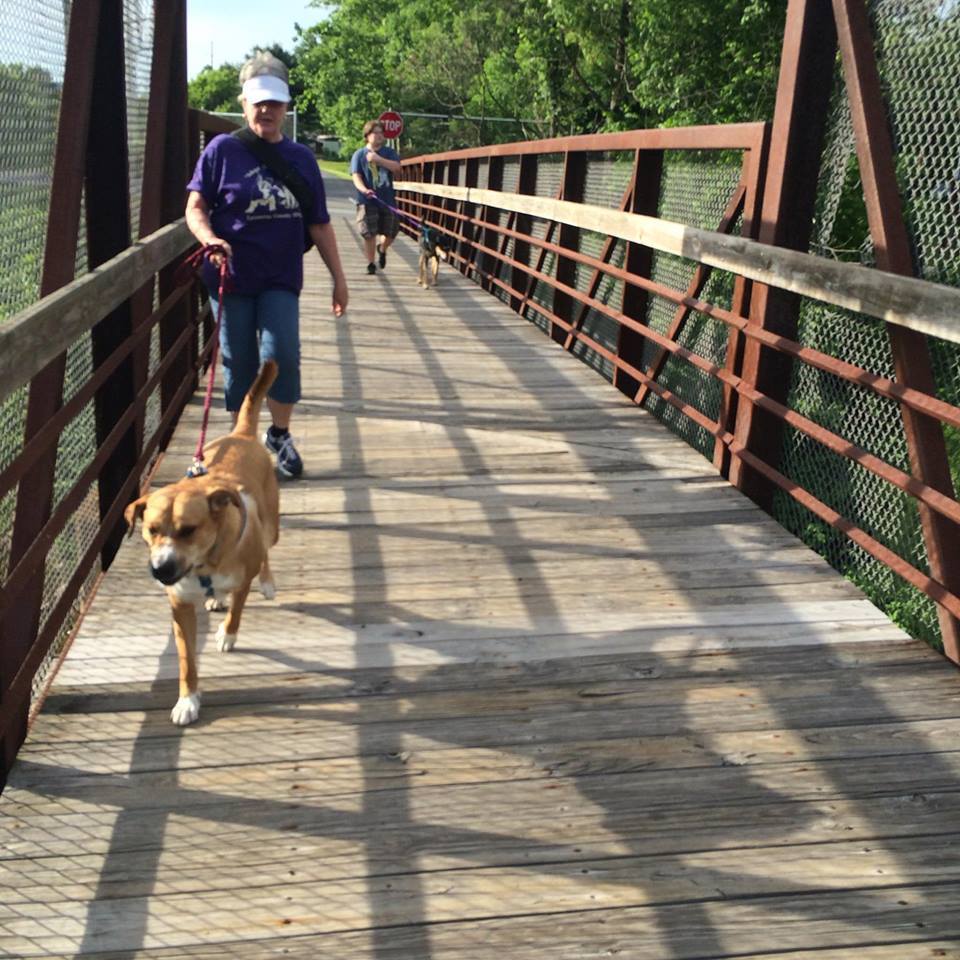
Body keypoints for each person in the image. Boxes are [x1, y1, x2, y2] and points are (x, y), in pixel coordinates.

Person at [185, 51, 348, 479]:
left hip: (280, 276)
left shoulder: (302, 159)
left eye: (274, 103)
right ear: (243, 105)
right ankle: (244, 443)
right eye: (258, 103)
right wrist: (209, 238)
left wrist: (339, 279)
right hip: (231, 275)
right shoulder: (221, 151)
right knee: (239, 361)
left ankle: (279, 433)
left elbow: (319, 224)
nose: (266, 110)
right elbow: (195, 207)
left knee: (282, 355)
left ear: (286, 107)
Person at [350, 120, 403, 275]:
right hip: (367, 200)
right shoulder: (359, 154)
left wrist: (378, 160)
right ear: (367, 135)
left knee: (391, 232)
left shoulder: (389, 153)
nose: (380, 136)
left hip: (387, 199)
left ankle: (383, 248)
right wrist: (364, 190)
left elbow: (397, 168)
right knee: (369, 233)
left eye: (381, 133)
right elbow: (356, 176)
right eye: (376, 133)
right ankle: (371, 263)